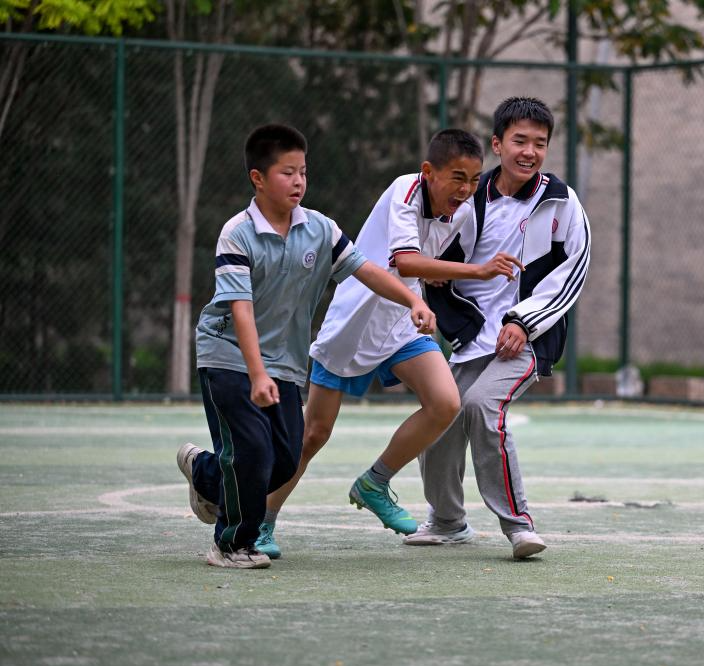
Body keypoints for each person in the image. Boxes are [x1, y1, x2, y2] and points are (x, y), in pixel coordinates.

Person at [254, 129, 525, 558]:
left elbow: (429, 263)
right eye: (458, 177)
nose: (466, 190)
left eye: (474, 180)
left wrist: (441, 275)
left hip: (402, 323)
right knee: (313, 435)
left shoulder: (464, 212)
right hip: (354, 324)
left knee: (446, 403)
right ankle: (263, 522)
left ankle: (375, 482)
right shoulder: (406, 189)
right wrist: (475, 271)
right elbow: (405, 261)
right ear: (428, 172)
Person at [175, 123, 435, 569]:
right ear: (258, 178)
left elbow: (367, 270)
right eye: (286, 173)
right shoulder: (236, 233)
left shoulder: (320, 229)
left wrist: (412, 297)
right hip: (229, 356)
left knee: (284, 460)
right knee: (253, 452)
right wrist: (256, 374)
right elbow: (240, 310)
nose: (298, 182)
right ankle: (231, 544)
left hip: (286, 364)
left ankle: (205, 471)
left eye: (303, 172)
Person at [408, 97, 592, 559]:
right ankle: (447, 521)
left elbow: (574, 268)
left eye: (540, 143)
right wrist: (437, 285)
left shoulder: (561, 201)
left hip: (528, 339)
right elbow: (442, 259)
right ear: (497, 144)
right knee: (441, 414)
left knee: (481, 408)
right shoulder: (471, 198)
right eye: (519, 141)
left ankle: (519, 525)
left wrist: (523, 322)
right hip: (472, 339)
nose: (529, 152)